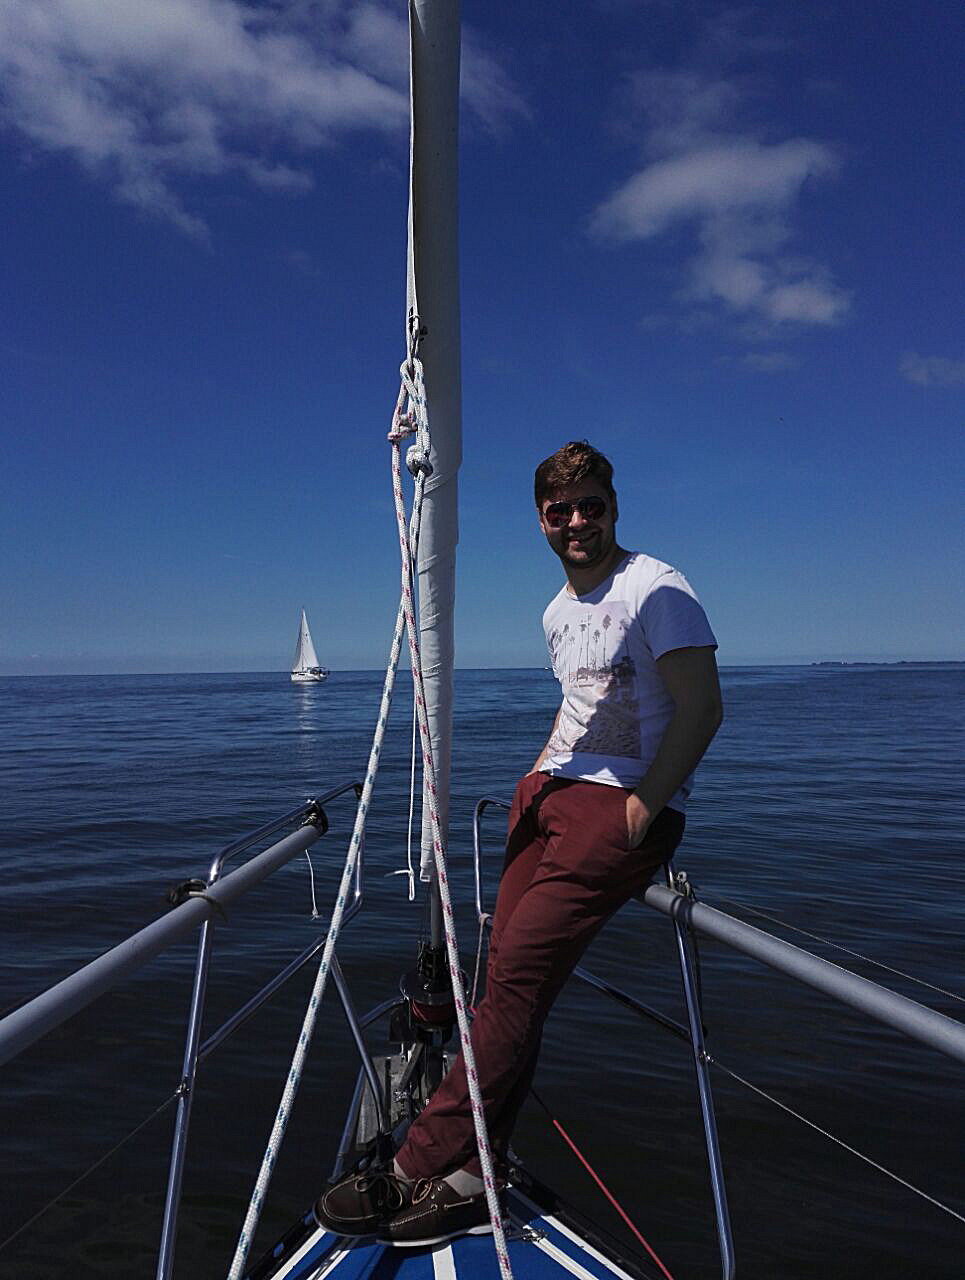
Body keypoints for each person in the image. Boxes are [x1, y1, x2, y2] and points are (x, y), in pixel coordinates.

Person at [314, 440, 723, 1246]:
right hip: (549, 798)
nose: (576, 522)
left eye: (590, 506)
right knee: (504, 981)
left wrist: (643, 807)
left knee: (512, 984)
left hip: (619, 808)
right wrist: (534, 778)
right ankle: (475, 1172)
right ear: (541, 520)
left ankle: (413, 1161)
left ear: (613, 508)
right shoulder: (555, 612)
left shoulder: (656, 588)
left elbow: (702, 707)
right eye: (559, 510)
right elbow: (579, 703)